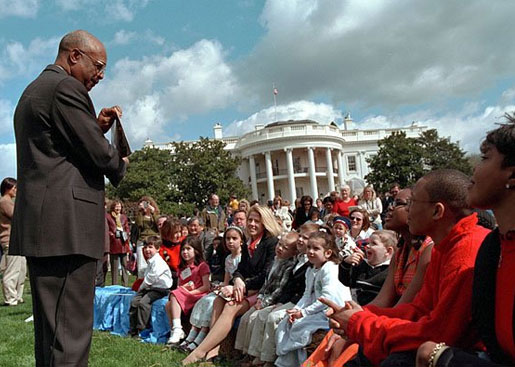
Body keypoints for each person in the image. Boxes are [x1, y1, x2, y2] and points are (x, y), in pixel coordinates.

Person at [9, 30, 128, 366]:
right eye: (99, 66)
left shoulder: (35, 89)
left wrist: (93, 125)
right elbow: (101, 157)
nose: (101, 76)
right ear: (75, 55)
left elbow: (57, 151)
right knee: (71, 336)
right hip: (68, 231)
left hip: (45, 228)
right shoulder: (66, 88)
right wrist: (120, 161)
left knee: (52, 335)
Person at [320, 169, 490, 367]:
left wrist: (359, 322)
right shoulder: (443, 248)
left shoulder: (464, 253)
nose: (404, 209)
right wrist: (359, 315)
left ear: (437, 211)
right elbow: (418, 309)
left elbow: (439, 334)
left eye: (412, 202)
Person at [416, 116, 515, 367]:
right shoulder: (493, 247)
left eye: (485, 158)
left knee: (430, 355)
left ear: (512, 174)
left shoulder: (472, 249)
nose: (473, 170)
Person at [303, 188, 433, 367]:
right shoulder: (401, 253)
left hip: (409, 331)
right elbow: (383, 300)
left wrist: (356, 320)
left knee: (351, 351)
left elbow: (405, 307)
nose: (390, 208)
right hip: (392, 322)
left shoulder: (428, 251)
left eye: (399, 204)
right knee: (333, 340)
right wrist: (350, 315)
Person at [183, 206, 282, 365]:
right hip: (245, 287)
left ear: (265, 222)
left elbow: (266, 274)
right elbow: (240, 270)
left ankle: (199, 351)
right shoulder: (248, 242)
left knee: (231, 306)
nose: (252, 224)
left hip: (262, 289)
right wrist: (237, 280)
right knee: (218, 300)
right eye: (250, 220)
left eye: (257, 221)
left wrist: (242, 285)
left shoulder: (271, 243)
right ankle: (212, 351)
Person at [275, 231, 352, 367]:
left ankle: (304, 363)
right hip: (319, 309)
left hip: (333, 312)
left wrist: (304, 313)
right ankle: (287, 362)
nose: (310, 251)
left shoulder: (330, 269)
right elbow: (307, 294)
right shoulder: (311, 270)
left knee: (302, 328)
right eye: (309, 247)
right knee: (287, 322)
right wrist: (296, 310)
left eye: (316, 248)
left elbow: (327, 298)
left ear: (327, 253)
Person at [234, 231, 299, 365]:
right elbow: (266, 283)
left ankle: (257, 356)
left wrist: (265, 302)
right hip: (264, 298)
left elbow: (279, 289)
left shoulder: (288, 266)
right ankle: (244, 351)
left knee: (258, 317)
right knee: (247, 318)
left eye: (285, 247)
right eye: (279, 244)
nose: (280, 248)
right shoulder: (274, 261)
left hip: (274, 301)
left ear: (293, 253)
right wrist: (260, 297)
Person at [184, 227, 244, 352]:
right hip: (226, 288)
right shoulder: (228, 259)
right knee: (204, 300)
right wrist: (220, 286)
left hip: (236, 291)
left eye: (234, 238)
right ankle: (192, 334)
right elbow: (227, 279)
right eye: (228, 239)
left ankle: (201, 338)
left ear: (241, 241)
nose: (230, 242)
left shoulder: (243, 258)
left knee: (212, 303)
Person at [165, 237, 211, 344]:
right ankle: (175, 330)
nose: (185, 252)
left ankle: (177, 328)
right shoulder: (181, 268)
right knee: (168, 304)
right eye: (183, 249)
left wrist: (189, 293)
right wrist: (184, 289)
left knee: (174, 294)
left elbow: (206, 286)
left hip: (199, 294)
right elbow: (179, 286)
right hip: (185, 294)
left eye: (188, 249)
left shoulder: (202, 266)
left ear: (196, 250)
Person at [129, 236, 173, 338]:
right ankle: (132, 329)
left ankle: (142, 329)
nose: (147, 250)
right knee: (134, 302)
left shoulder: (158, 262)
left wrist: (141, 288)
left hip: (160, 289)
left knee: (144, 303)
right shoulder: (150, 261)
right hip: (150, 288)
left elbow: (150, 279)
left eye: (150, 247)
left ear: (157, 249)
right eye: (146, 247)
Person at [339, 230, 396, 305]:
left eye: (374, 243)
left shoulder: (390, 271)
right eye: (369, 243)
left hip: (375, 311)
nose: (368, 246)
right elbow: (346, 281)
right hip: (356, 307)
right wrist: (346, 264)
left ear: (388, 251)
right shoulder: (362, 265)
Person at [0, 177, 26, 306]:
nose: (16, 190)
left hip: (17, 240)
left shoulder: (9, 201)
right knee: (12, 271)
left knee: (21, 270)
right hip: (10, 240)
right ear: (7, 188)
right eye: (14, 188)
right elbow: (17, 216)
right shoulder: (5, 201)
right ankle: (10, 298)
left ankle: (17, 296)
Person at [105, 200, 131, 286]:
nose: (118, 208)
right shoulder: (108, 216)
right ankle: (114, 285)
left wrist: (126, 234)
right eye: (116, 206)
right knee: (114, 267)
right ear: (113, 207)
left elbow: (127, 228)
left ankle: (125, 285)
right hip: (114, 244)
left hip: (123, 244)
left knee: (125, 266)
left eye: (119, 206)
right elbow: (106, 229)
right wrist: (112, 234)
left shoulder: (124, 217)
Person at [135, 196, 160, 278]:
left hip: (153, 240)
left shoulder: (155, 214)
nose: (145, 205)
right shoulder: (140, 215)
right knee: (141, 266)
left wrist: (153, 212)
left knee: (154, 263)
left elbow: (158, 224)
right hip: (142, 240)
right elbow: (138, 225)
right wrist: (140, 211)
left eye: (147, 203)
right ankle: (141, 283)